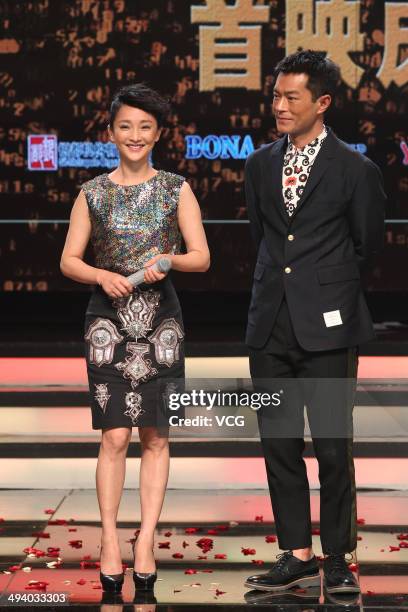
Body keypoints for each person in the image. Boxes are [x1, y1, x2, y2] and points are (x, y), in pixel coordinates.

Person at [244, 50, 386, 596]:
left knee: (332, 445)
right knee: (277, 442)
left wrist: (322, 290)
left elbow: (366, 246)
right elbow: (263, 236)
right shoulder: (258, 164)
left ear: (322, 103)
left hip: (329, 326)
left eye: (290, 97)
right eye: (276, 95)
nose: (278, 105)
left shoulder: (356, 169)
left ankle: (337, 556)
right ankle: (295, 552)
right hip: (269, 324)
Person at [60, 83, 210, 593]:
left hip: (160, 321)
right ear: (111, 132)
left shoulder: (175, 188)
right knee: (115, 435)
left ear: (159, 134)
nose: (135, 135)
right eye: (126, 126)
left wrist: (165, 261)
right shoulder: (93, 192)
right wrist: (101, 275)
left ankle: (145, 538)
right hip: (108, 322)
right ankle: (108, 537)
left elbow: (201, 256)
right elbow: (68, 260)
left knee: (156, 435)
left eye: (145, 127)